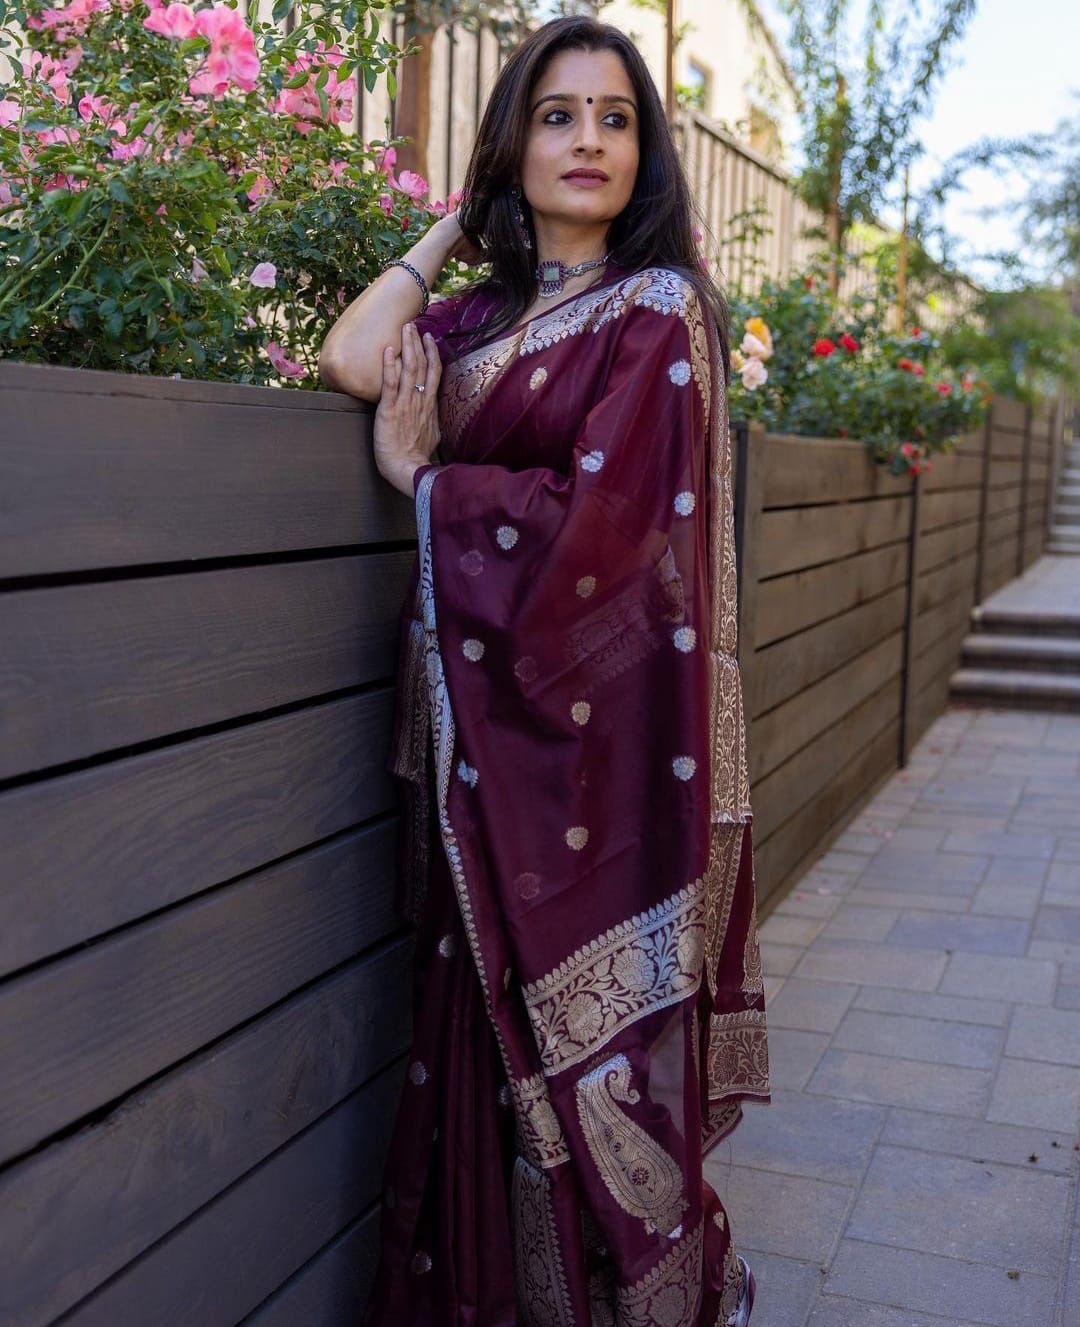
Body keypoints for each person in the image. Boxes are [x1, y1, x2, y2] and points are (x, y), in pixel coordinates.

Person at [319, 14, 771, 1325]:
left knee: (599, 1075)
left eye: (616, 118)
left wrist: (429, 482)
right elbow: (353, 356)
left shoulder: (664, 312)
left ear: (647, 154)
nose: (588, 141)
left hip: (604, 764)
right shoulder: (477, 318)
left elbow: (608, 544)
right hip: (482, 752)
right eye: (558, 114)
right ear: (512, 140)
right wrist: (450, 228)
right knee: (476, 1052)